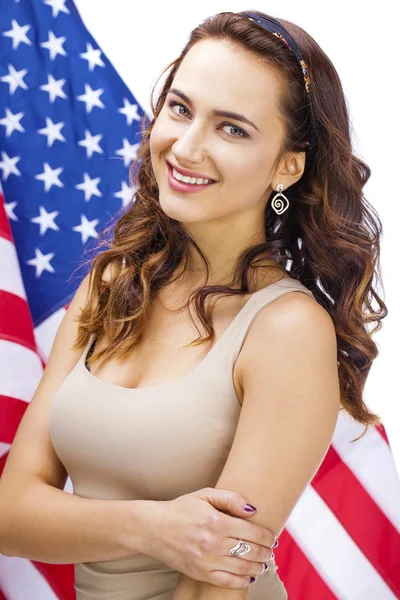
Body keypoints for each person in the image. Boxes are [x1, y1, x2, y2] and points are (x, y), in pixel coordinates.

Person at [0, 9, 387, 600]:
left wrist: (167, 538)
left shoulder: (287, 329)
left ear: (289, 164)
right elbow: (12, 514)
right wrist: (157, 527)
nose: (185, 146)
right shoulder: (110, 284)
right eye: (180, 109)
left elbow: (218, 583)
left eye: (232, 128)